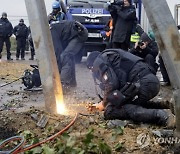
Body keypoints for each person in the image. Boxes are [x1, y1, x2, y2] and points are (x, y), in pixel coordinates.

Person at [86, 49, 175, 128]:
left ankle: (162, 116)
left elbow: (111, 84)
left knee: (110, 110)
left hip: (142, 84)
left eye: (91, 69)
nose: (93, 72)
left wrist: (103, 104)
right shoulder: (110, 55)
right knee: (129, 103)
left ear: (92, 65)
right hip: (150, 82)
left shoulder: (99, 61)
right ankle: (165, 104)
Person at [50, 20, 88, 90]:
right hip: (77, 33)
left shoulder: (52, 32)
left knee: (65, 56)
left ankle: (63, 84)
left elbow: (57, 52)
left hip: (79, 34)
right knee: (69, 58)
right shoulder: (54, 28)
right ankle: (72, 83)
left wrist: (57, 72)